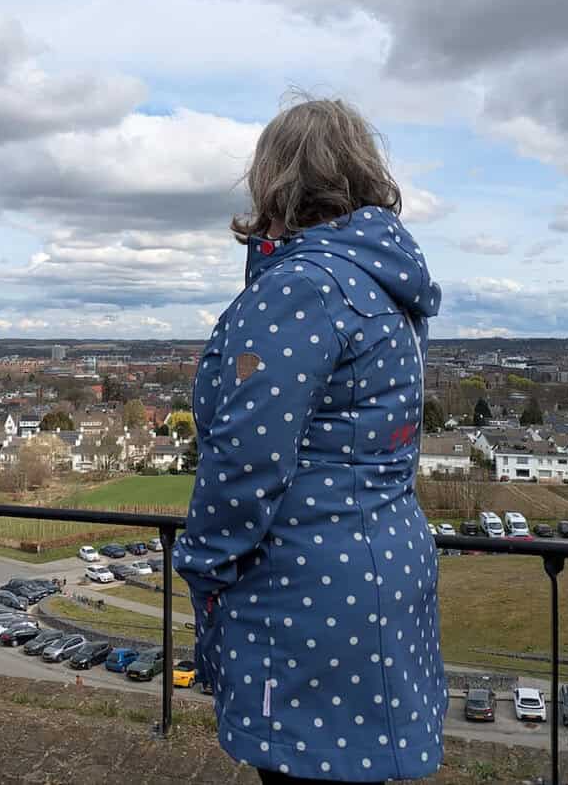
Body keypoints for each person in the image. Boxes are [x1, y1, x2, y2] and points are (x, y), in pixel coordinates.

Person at [175, 97, 446, 784]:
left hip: (302, 587)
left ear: (275, 178)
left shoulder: (301, 286)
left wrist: (203, 567)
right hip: (384, 562)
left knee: (302, 774)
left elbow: (246, 458)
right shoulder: (383, 286)